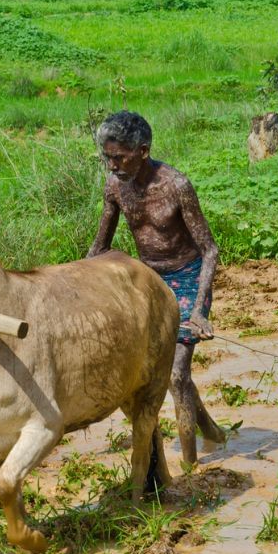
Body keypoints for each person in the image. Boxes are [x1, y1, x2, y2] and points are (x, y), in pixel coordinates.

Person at [86, 110, 227, 466]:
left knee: (177, 375)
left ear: (143, 151)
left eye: (119, 157)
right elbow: (99, 247)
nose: (112, 164)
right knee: (145, 371)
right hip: (148, 281)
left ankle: (191, 468)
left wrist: (198, 310)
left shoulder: (176, 186)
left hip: (187, 276)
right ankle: (211, 432)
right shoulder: (115, 186)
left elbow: (210, 250)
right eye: (107, 156)